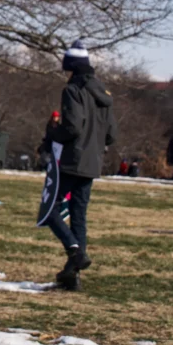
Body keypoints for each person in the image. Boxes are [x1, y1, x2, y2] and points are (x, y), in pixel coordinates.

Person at [44, 40, 116, 291]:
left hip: (73, 160)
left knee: (50, 211)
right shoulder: (102, 93)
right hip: (93, 162)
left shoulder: (73, 90)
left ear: (71, 66)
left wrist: (53, 133)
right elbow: (111, 135)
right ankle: (72, 275)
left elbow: (72, 126)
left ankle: (75, 252)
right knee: (78, 216)